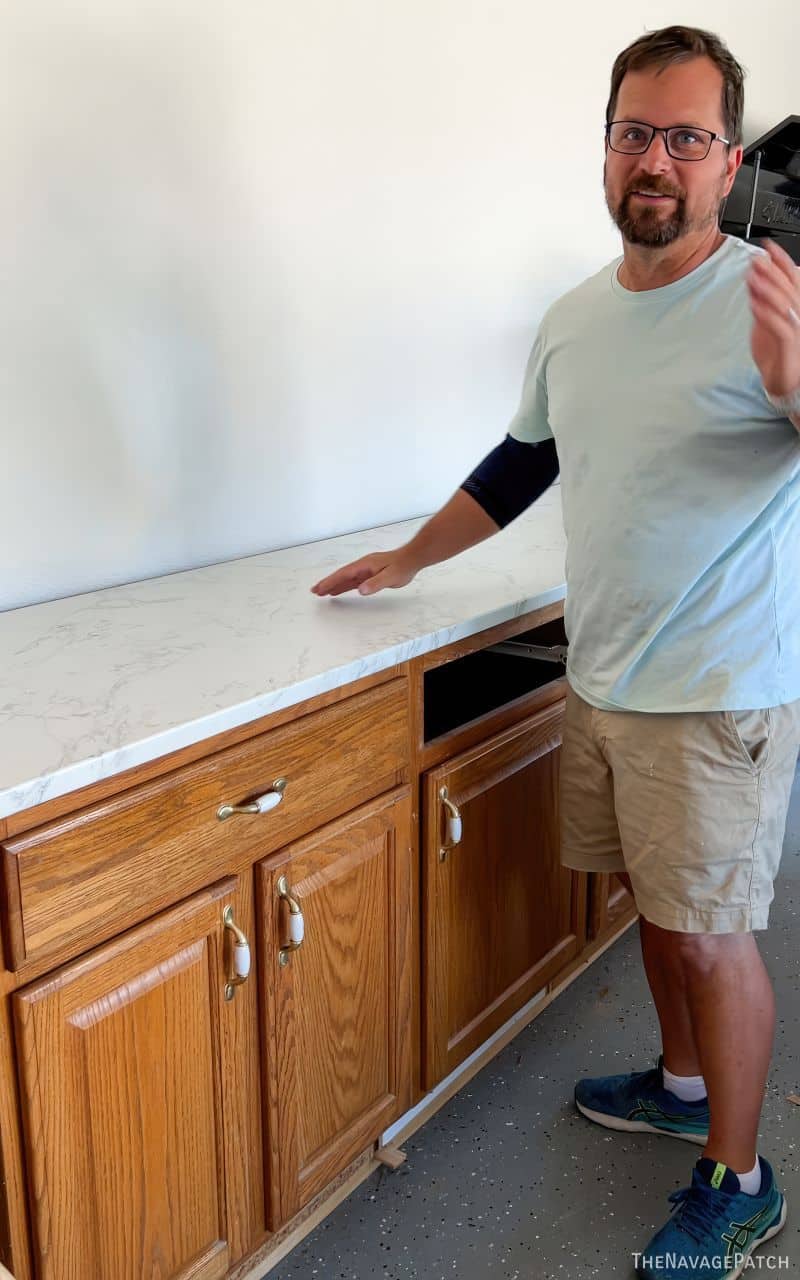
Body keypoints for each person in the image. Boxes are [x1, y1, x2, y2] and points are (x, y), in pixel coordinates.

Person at [311, 25, 800, 1277]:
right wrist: (411, 555)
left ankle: (740, 1183)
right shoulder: (574, 317)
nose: (655, 159)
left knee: (710, 935)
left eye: (685, 137)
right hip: (606, 675)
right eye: (633, 131)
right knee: (652, 904)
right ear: (604, 148)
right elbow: (524, 461)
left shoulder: (767, 295)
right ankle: (682, 1085)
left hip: (714, 696)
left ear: (726, 157)